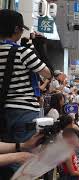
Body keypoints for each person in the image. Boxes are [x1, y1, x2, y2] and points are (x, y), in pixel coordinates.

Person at [0, 9, 52, 143]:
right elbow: (47, 72)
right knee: (23, 155)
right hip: (24, 112)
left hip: (2, 111)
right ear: (16, 29)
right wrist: (38, 47)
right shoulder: (23, 52)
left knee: (5, 153)